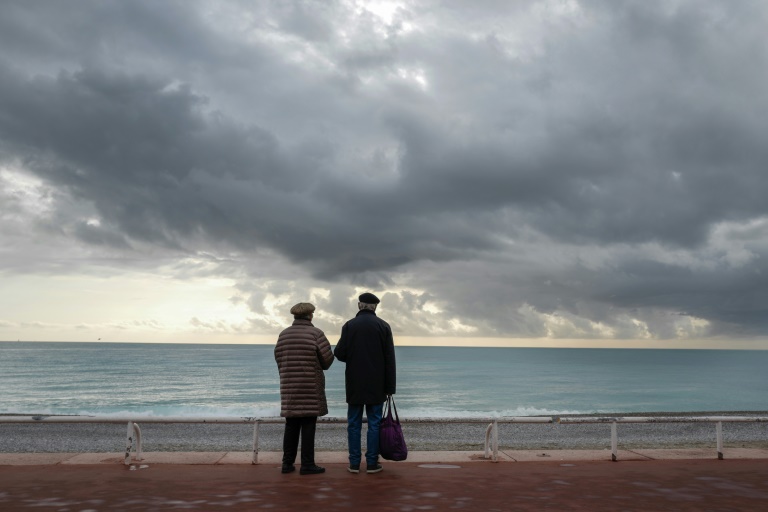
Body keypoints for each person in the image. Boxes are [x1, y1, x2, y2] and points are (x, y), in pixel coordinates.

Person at [334, 292, 396, 474]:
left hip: (354, 382)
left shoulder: (349, 326)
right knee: (374, 423)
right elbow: (389, 360)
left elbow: (339, 353)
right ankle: (371, 463)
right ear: (375, 307)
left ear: (359, 305)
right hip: (377, 384)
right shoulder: (384, 326)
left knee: (353, 423)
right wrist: (390, 387)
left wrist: (353, 358)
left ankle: (354, 463)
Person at [274, 302, 334, 475]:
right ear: (310, 315)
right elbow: (327, 361)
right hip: (310, 387)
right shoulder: (316, 334)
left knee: (291, 425)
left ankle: (287, 464)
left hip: (289, 387)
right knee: (308, 425)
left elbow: (278, 358)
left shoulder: (284, 335)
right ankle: (307, 464)